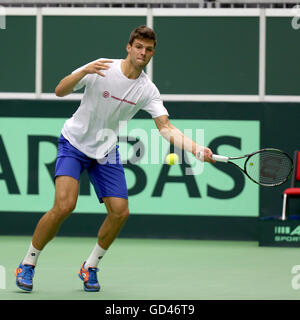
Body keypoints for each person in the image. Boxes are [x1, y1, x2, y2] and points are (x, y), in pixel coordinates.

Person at [15, 25, 214, 292]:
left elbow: (165, 127)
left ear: (153, 53)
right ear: (129, 47)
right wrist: (83, 72)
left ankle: (91, 266)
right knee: (64, 206)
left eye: (149, 49)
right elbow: (59, 91)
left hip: (106, 150)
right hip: (74, 143)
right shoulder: (101, 68)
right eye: (139, 47)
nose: (143, 53)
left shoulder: (147, 90)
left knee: (120, 213)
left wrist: (196, 148)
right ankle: (28, 262)